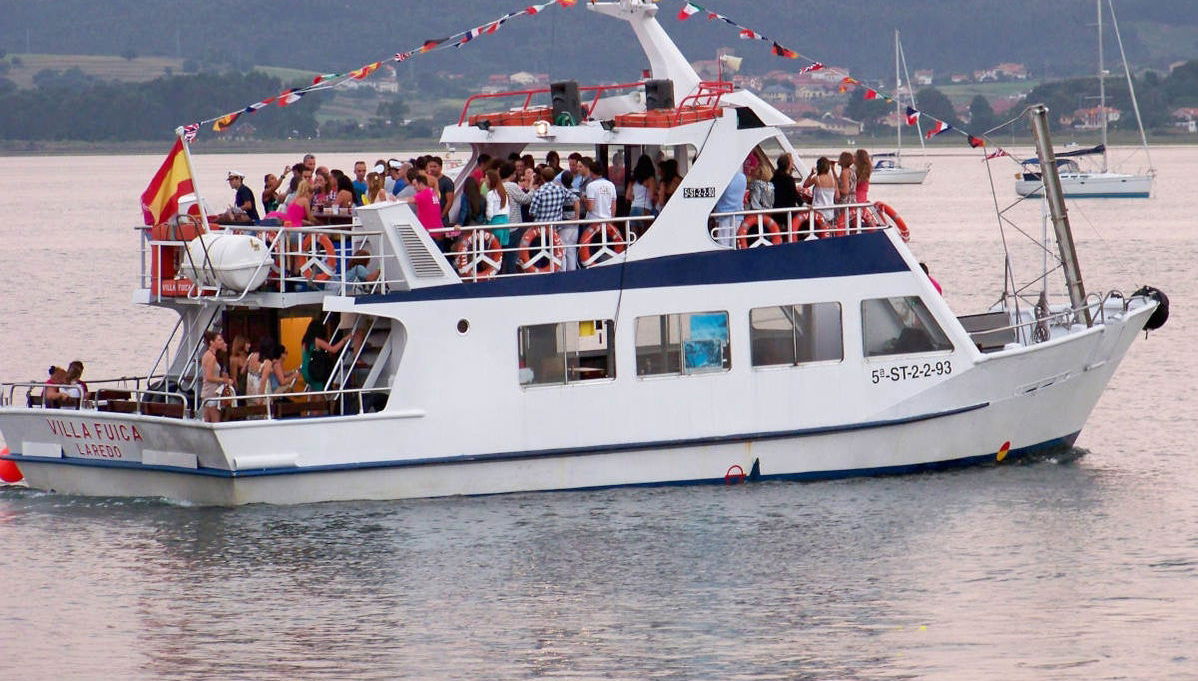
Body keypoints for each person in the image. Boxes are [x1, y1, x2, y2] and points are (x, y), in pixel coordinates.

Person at [302, 318, 351, 393]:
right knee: (319, 392)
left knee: (312, 391)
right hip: (315, 370)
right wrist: (344, 339)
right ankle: (320, 405)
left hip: (306, 370)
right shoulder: (317, 341)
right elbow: (333, 349)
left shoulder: (305, 341)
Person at [399, 172, 446, 245]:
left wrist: (395, 200)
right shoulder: (433, 192)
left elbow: (409, 200)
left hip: (430, 233)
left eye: (415, 185)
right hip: (438, 230)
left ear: (420, 184)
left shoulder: (423, 194)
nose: (414, 188)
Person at [200, 331, 235, 422]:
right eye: (219, 340)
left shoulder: (207, 355)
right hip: (211, 392)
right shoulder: (211, 357)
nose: (221, 341)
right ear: (212, 342)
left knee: (207, 420)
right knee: (215, 420)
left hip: (207, 391)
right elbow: (209, 377)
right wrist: (225, 380)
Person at [713, 166, 747, 247]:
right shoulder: (742, 177)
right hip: (738, 214)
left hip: (723, 214)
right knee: (734, 241)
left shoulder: (723, 179)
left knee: (723, 242)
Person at [803, 156, 838, 227]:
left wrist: (811, 174)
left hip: (818, 212)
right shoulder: (833, 180)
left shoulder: (817, 178)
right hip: (830, 212)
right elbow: (837, 196)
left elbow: (805, 185)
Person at [484, 168, 511, 247]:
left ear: (491, 180)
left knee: (494, 247)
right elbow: (508, 209)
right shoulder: (504, 193)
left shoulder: (491, 194)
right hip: (505, 222)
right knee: (502, 247)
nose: (485, 181)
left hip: (495, 222)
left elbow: (489, 212)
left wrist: (488, 223)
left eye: (486, 179)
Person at [626, 154, 658, 221]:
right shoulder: (650, 179)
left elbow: (628, 196)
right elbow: (651, 196)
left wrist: (636, 199)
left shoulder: (633, 180)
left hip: (633, 209)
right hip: (645, 209)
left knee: (634, 231)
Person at [426, 156, 455, 227]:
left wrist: (442, 216)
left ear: (441, 168)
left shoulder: (447, 181)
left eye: (435, 166)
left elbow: (449, 202)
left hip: (441, 217)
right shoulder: (426, 181)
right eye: (430, 166)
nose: (432, 169)